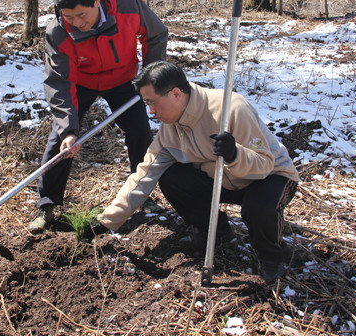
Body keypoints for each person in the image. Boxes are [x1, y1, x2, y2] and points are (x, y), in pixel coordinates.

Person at [89, 61, 300, 283]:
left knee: (258, 207)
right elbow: (143, 176)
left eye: (152, 103)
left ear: (176, 94)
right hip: (223, 181)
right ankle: (216, 232)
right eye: (147, 104)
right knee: (171, 177)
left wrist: (235, 154)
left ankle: (272, 257)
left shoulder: (232, 108)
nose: (151, 112)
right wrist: (105, 222)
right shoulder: (171, 129)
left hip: (270, 177)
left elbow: (264, 164)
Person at [28, 0, 169, 234]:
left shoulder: (127, 3)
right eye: (69, 16)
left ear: (95, 0)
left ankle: (142, 197)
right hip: (81, 82)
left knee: (139, 131)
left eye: (81, 15)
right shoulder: (58, 30)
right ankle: (46, 206)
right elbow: (58, 82)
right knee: (60, 140)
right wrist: (69, 130)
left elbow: (156, 34)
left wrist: (150, 77)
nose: (76, 22)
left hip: (124, 78)